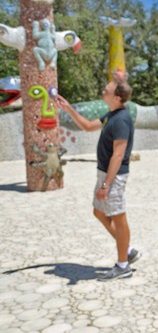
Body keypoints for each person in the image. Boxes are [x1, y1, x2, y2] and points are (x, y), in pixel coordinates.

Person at [54, 77, 141, 281]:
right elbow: (87, 126)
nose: (103, 92)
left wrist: (106, 184)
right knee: (99, 211)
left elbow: (118, 156)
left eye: (106, 90)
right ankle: (127, 250)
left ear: (117, 97)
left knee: (118, 217)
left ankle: (122, 266)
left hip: (114, 176)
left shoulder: (121, 120)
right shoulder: (112, 115)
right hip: (105, 174)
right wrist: (68, 108)